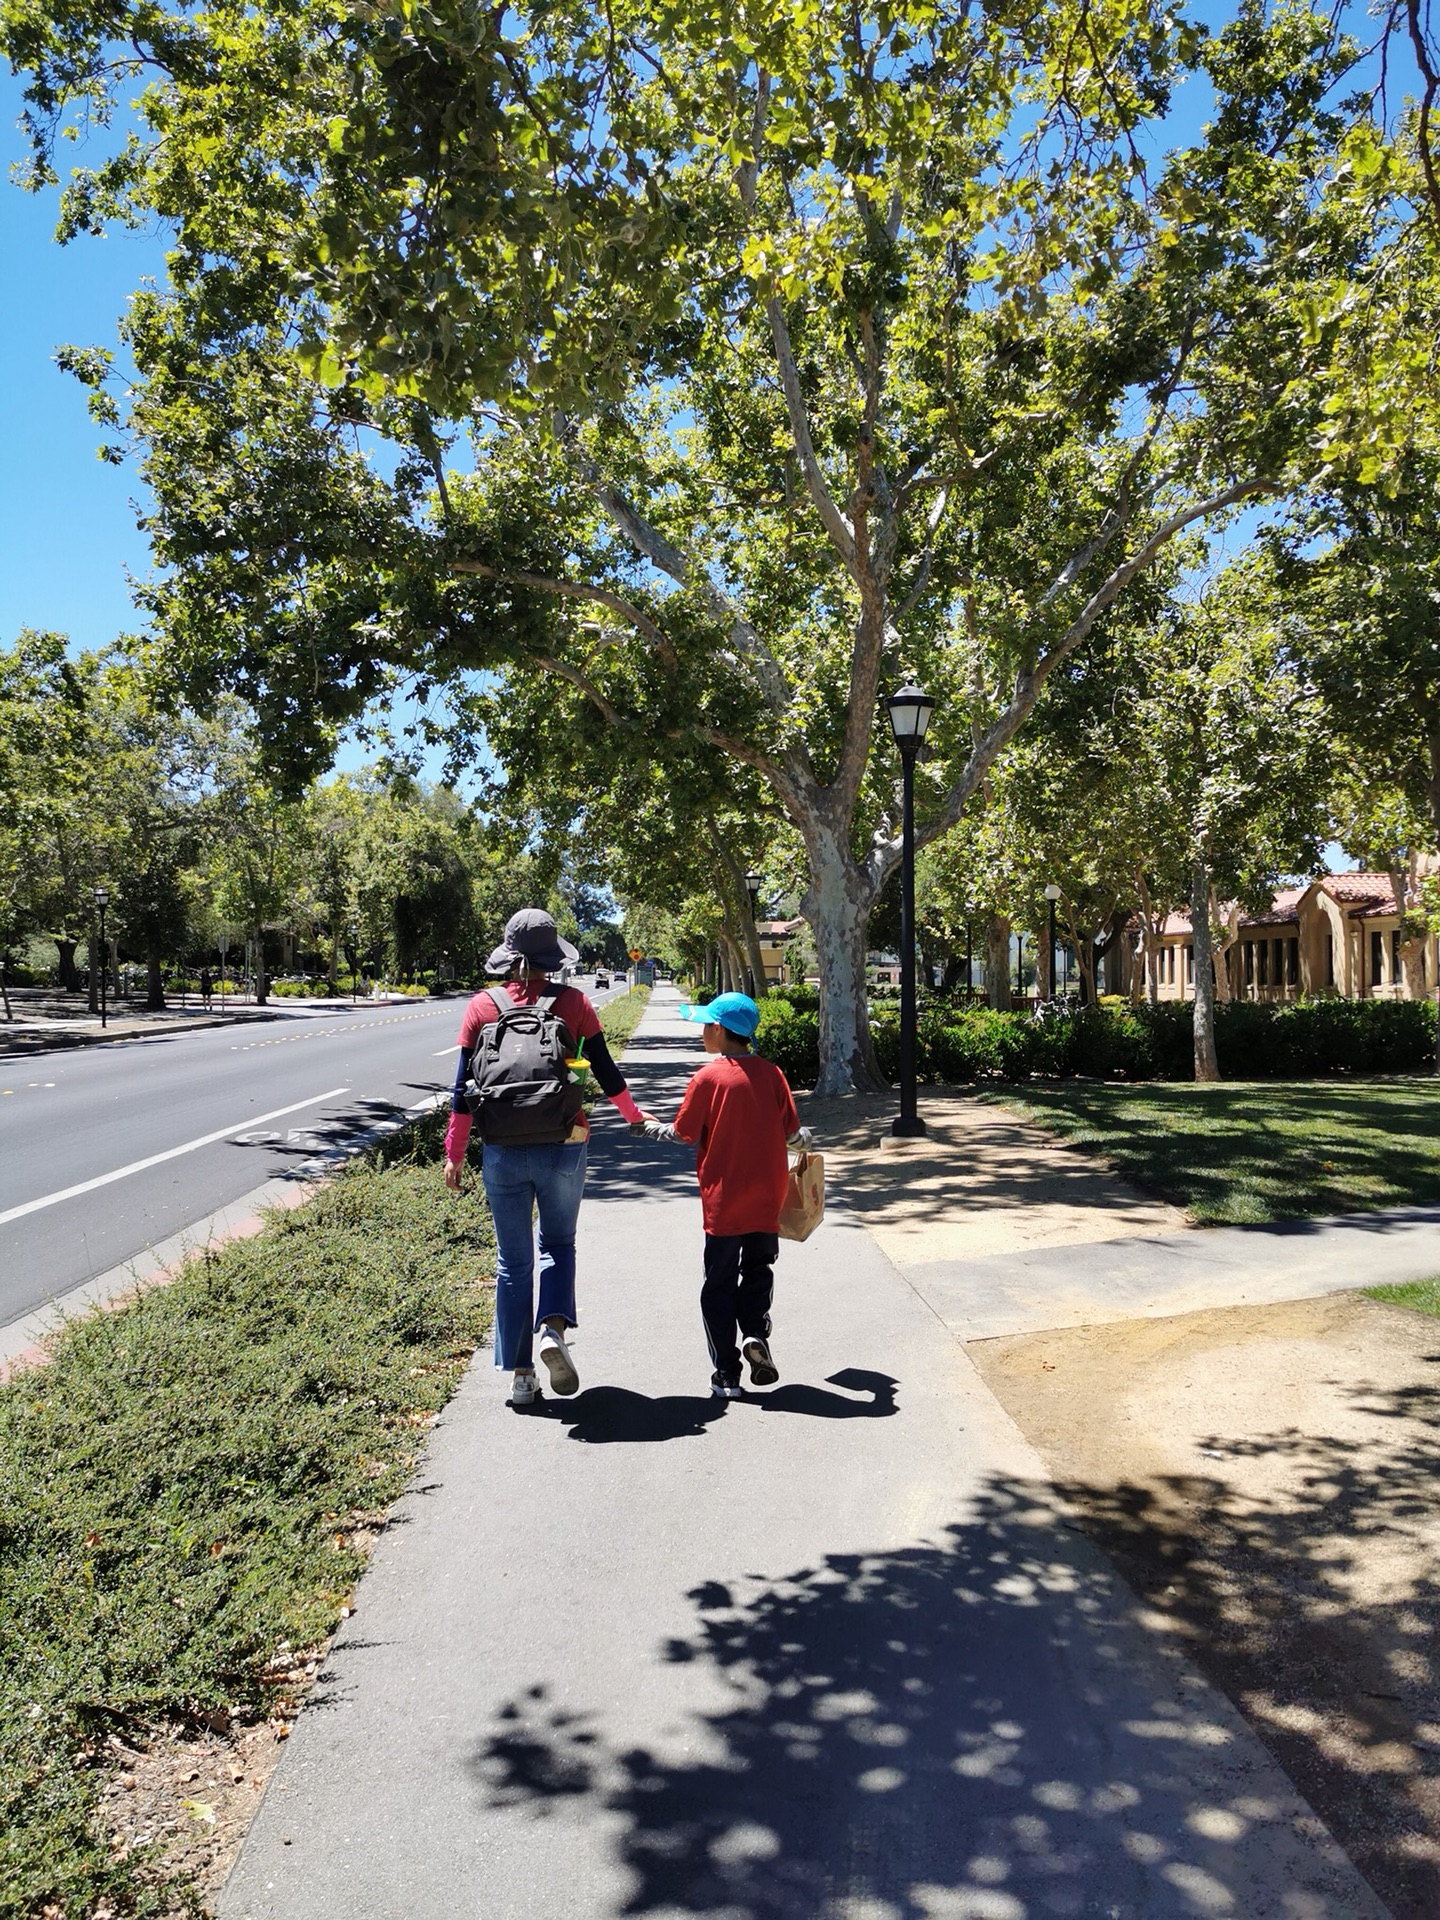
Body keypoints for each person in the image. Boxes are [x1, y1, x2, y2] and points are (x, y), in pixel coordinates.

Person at [443, 909, 650, 1407]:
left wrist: (454, 1153)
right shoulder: (575, 1003)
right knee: (558, 1243)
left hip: (501, 1150)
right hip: (565, 1141)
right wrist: (633, 1117)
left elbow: (461, 1091)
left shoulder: (481, 1006)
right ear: (552, 957)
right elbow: (606, 1070)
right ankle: (552, 1332)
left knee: (512, 1262)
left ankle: (520, 1376)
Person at [638, 992, 811, 1399]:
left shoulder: (707, 1078)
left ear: (719, 1030)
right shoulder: (773, 1074)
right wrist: (805, 1140)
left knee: (718, 1283)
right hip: (768, 1197)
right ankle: (754, 1334)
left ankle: (727, 1374)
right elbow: (793, 1134)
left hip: (723, 1201)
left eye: (705, 1025)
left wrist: (646, 1126)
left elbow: (682, 1133)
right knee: (758, 1270)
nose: (701, 1032)